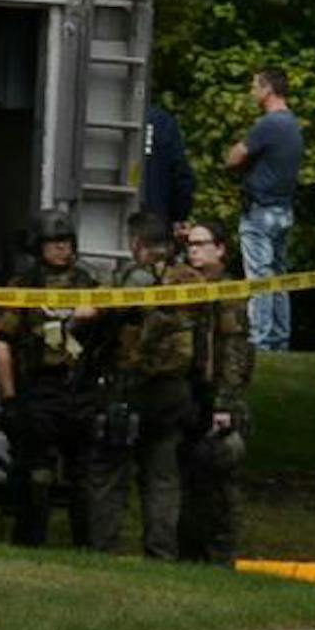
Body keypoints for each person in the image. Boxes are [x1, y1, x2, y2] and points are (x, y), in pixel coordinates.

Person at [89, 212, 201, 558]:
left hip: (129, 387)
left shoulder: (129, 279)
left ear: (136, 243)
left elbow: (102, 320)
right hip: (174, 390)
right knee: (162, 478)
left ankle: (103, 549)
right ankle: (161, 553)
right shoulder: (194, 281)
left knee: (109, 472)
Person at [0, 210, 101, 547]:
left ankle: (87, 548)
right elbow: (3, 345)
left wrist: (96, 313)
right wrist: (9, 400)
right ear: (38, 246)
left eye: (66, 242)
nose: (61, 249)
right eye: (54, 243)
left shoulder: (89, 284)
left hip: (80, 388)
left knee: (83, 478)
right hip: (38, 390)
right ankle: (29, 544)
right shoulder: (24, 286)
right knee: (36, 476)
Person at [179, 221, 254, 566]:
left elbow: (235, 351)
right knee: (191, 482)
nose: (193, 250)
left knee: (221, 483)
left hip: (219, 400)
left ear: (220, 249)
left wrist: (225, 403)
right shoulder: (185, 286)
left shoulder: (229, 293)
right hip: (190, 396)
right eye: (189, 244)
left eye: (201, 243)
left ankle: (220, 557)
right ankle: (191, 555)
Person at [224, 67, 303, 352]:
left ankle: (260, 341)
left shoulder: (269, 125)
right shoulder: (292, 123)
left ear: (268, 89)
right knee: (278, 277)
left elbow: (235, 157)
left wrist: (234, 157)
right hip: (283, 210)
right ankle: (280, 338)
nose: (251, 91)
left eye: (255, 86)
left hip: (260, 211)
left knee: (258, 276)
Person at [142, 105, 196, 232]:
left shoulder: (95, 117)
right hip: (154, 222)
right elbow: (181, 177)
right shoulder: (161, 121)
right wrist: (179, 216)